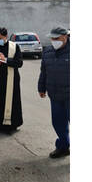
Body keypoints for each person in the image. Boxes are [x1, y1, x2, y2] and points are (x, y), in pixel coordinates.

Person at [38, 27, 70, 158]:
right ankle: (63, 147)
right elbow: (44, 71)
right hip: (55, 94)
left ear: (65, 37)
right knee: (57, 122)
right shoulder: (48, 51)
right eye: (52, 38)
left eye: (56, 38)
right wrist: (41, 88)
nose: (53, 41)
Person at [0, 27, 24, 132]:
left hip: (12, 79)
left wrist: (5, 59)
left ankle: (11, 125)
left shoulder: (15, 47)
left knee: (11, 101)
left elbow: (19, 63)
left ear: (5, 37)